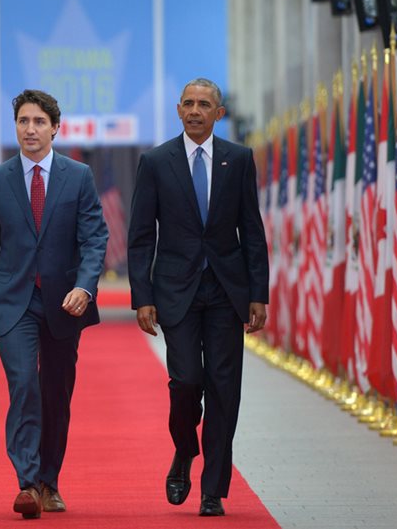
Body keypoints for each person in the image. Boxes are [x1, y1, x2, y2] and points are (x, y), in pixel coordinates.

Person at [127, 78, 269, 518]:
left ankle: (213, 489)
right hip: (176, 291)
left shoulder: (239, 160)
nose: (194, 110)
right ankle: (185, 450)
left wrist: (258, 293)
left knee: (225, 390)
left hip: (227, 291)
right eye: (188, 103)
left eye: (204, 104)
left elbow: (253, 230)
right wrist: (141, 295)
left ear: (218, 113)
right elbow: (139, 236)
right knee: (186, 381)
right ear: (178, 109)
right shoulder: (155, 162)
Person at [0, 89, 109, 519]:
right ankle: (27, 483)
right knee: (24, 384)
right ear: (16, 127)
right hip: (13, 302)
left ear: (54, 128)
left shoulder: (78, 176)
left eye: (38, 122)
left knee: (55, 392)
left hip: (65, 303)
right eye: (23, 121)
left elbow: (95, 238)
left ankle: (50, 480)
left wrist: (85, 288)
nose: (30, 129)